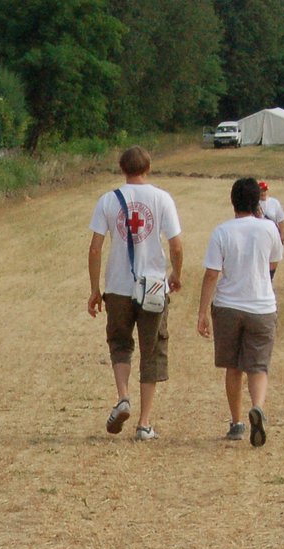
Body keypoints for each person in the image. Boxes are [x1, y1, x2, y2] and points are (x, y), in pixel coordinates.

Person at [87, 145, 184, 441]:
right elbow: (177, 246)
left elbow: (95, 248)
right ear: (149, 167)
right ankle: (144, 423)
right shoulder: (162, 199)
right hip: (153, 285)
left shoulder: (108, 200)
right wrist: (176, 275)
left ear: (122, 169)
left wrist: (95, 290)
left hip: (117, 286)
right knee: (151, 350)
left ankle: (123, 396)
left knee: (119, 343)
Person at [198, 177, 282, 447]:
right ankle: (257, 406)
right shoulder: (269, 228)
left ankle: (236, 422)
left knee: (233, 367)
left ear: (232, 201)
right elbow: (273, 262)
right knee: (257, 366)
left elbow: (212, 273)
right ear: (257, 202)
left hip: (228, 306)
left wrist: (202, 312)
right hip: (262, 305)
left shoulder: (221, 232)